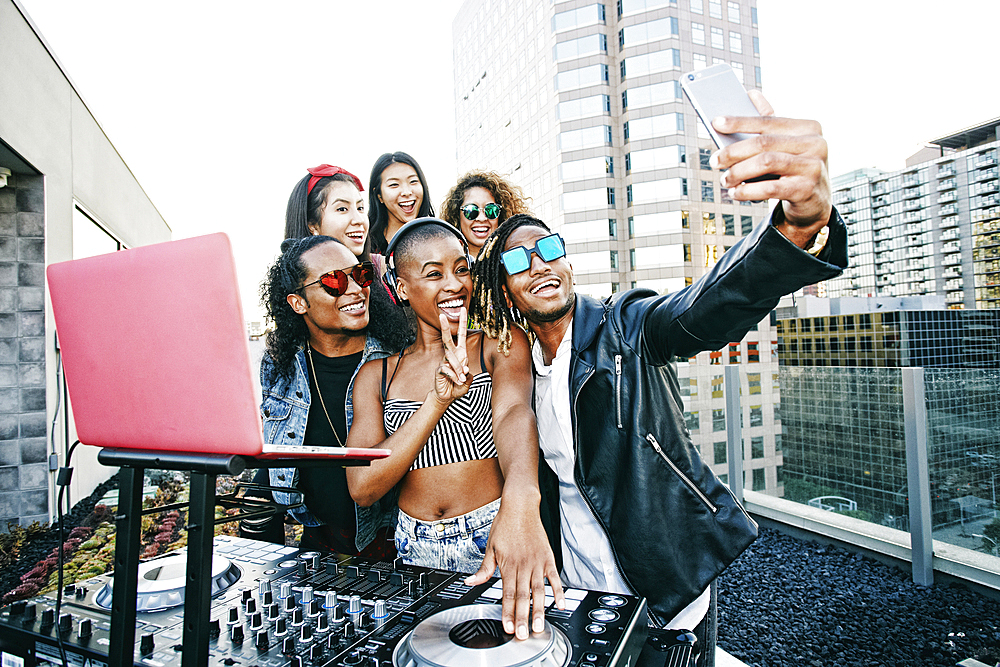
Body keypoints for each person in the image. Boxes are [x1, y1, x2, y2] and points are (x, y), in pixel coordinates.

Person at [469, 97, 847, 666]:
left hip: (664, 583)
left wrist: (798, 226)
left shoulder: (627, 325)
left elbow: (708, 306)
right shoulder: (516, 369)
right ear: (504, 290)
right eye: (520, 262)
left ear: (569, 261)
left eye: (550, 249)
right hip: (580, 588)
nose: (540, 265)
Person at [346, 217, 563, 640]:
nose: (454, 284)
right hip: (413, 547)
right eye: (434, 274)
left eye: (461, 269)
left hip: (494, 534)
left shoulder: (500, 342)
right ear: (402, 288)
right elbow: (363, 485)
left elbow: (514, 414)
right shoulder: (376, 375)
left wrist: (522, 503)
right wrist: (438, 400)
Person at [257, 235, 412, 554]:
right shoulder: (280, 367)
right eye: (334, 280)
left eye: (361, 274)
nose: (356, 289)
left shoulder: (400, 359)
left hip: (393, 544)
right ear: (298, 302)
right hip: (316, 544)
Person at [439, 170, 531, 260]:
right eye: (471, 210)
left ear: (501, 215)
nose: (482, 218)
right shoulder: (446, 264)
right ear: (457, 216)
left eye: (491, 210)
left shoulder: (516, 260)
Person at [284, 164, 370, 259]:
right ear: (313, 225)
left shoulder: (382, 268)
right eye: (342, 209)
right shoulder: (297, 273)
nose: (359, 220)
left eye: (360, 208)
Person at [367, 152, 434, 261]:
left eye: (413, 181)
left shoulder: (439, 237)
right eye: (394, 184)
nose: (407, 192)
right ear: (379, 195)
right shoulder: (365, 244)